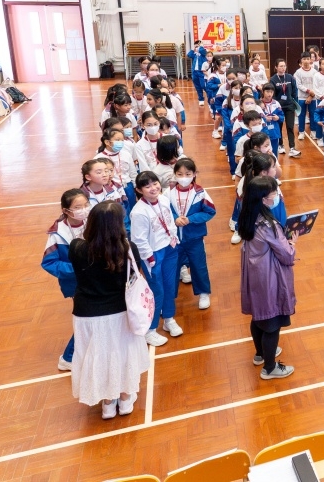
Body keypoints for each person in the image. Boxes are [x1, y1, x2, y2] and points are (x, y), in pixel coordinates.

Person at [69, 201, 150, 419]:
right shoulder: (128, 249)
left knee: (97, 355)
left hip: (87, 313)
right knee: (122, 355)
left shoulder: (76, 248)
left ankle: (107, 403)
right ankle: (125, 399)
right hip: (120, 312)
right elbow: (134, 277)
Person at [239, 175, 296, 379]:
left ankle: (260, 354)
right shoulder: (269, 225)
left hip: (255, 277)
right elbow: (287, 255)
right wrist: (292, 243)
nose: (277, 196)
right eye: (274, 193)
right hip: (270, 279)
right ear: (264, 199)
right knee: (272, 323)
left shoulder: (247, 218)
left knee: (258, 317)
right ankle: (270, 368)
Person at [130, 171, 180, 346]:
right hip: (153, 254)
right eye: (147, 186)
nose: (153, 188)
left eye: (155, 183)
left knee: (170, 286)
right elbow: (138, 240)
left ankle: (169, 318)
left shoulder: (164, 199)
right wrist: (150, 258)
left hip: (169, 248)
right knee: (157, 291)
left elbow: (170, 222)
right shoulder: (139, 212)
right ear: (139, 190)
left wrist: (174, 238)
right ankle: (150, 330)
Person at [42, 189, 89, 371]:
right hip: (77, 283)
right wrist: (77, 268)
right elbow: (49, 263)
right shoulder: (58, 234)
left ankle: (83, 352)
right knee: (86, 318)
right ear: (66, 210)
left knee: (91, 318)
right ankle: (68, 357)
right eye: (78, 207)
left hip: (95, 278)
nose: (84, 209)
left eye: (86, 205)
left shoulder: (92, 221)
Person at [169, 158, 216, 309]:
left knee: (198, 265)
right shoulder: (168, 193)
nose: (184, 177)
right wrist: (174, 219)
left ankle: (203, 293)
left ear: (194, 174)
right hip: (174, 239)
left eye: (188, 174)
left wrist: (191, 219)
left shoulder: (200, 193)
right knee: (172, 268)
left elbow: (210, 211)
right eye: (180, 174)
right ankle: (169, 298)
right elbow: (163, 212)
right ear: (175, 174)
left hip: (194, 237)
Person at [270, 59, 302, 156]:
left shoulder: (290, 77)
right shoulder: (273, 79)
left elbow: (294, 91)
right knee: (279, 127)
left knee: (290, 127)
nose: (283, 68)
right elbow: (272, 94)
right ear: (276, 67)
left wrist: (294, 104)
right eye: (281, 66)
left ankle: (292, 148)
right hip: (278, 108)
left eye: (284, 66)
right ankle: (280, 145)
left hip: (289, 106)